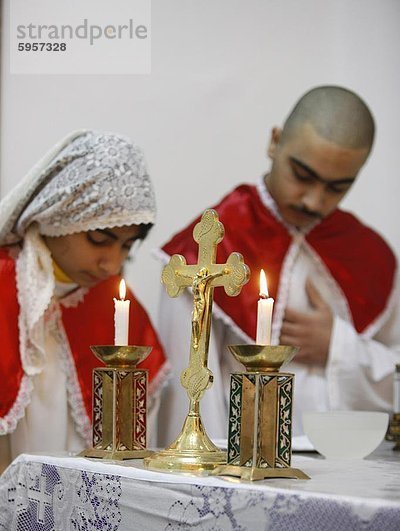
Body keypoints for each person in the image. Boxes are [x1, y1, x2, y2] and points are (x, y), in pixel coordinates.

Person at [156, 85, 400, 448]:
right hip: (243, 466)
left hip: (354, 465)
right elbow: (190, 388)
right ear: (275, 142)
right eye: (302, 175)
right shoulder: (207, 250)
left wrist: (337, 346)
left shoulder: (372, 255)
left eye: (337, 187)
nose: (314, 201)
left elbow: (394, 378)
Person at [0, 130, 170, 471]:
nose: (112, 264)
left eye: (126, 246)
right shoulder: (7, 282)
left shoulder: (114, 300)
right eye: (98, 239)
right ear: (57, 216)